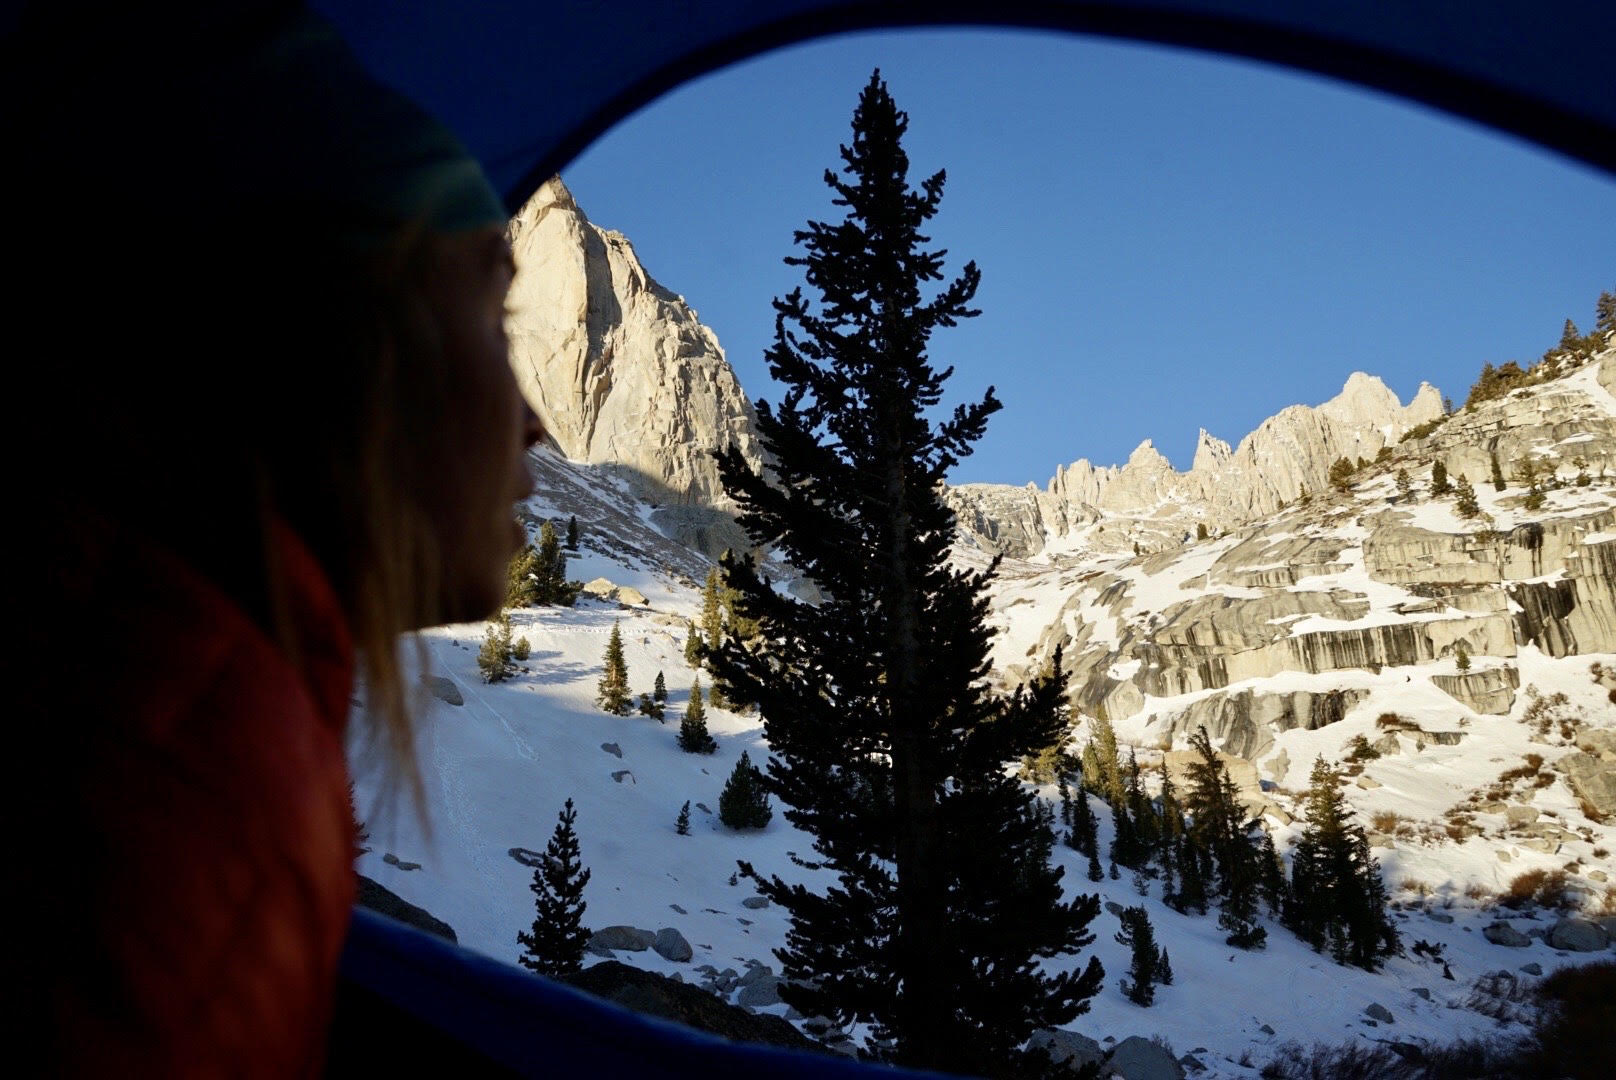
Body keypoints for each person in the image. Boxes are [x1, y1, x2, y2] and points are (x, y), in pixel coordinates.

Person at [6, 2, 541, 1073]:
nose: (538, 422)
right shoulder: (173, 811)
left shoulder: (138, 665)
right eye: (495, 323)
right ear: (337, 339)